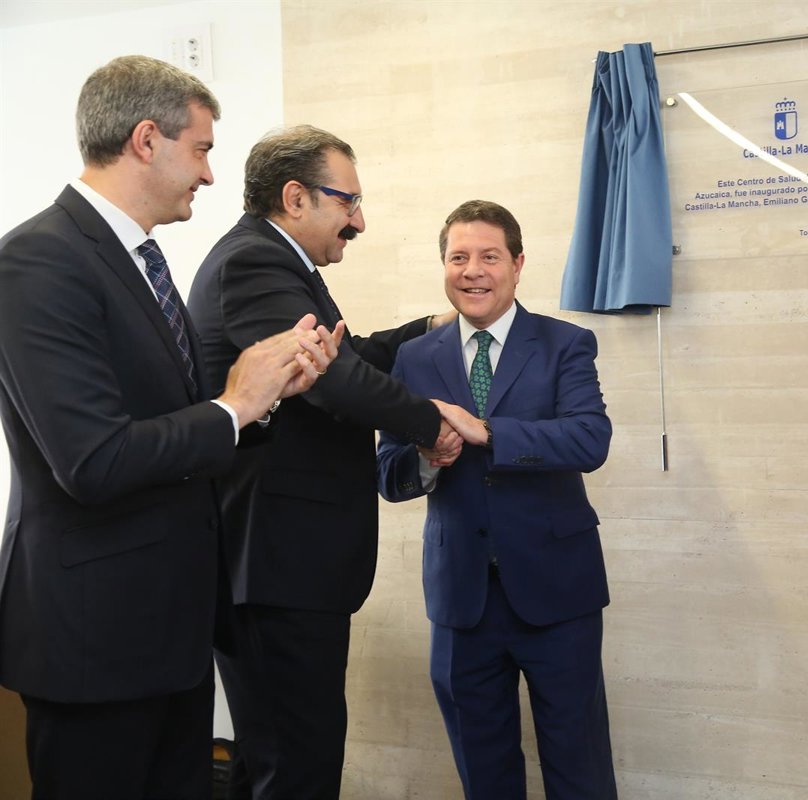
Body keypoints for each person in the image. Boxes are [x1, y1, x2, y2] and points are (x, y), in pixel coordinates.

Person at [0, 55, 340, 799]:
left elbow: (171, 423)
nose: (210, 175)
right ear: (147, 139)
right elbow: (93, 460)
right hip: (96, 642)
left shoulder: (142, 260)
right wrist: (234, 406)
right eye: (202, 149)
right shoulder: (36, 261)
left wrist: (267, 397)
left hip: (171, 633)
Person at [187, 124, 455, 799]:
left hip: (284, 567)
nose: (359, 221)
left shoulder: (277, 264)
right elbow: (333, 381)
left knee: (274, 761)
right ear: (296, 197)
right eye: (349, 201)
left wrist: (422, 331)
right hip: (275, 565)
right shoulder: (255, 264)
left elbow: (343, 355)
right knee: (297, 766)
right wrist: (434, 424)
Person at [377, 200, 617, 799]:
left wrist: (489, 433)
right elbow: (388, 473)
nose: (473, 271)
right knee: (484, 774)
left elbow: (590, 439)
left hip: (558, 594)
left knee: (578, 767)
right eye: (458, 257)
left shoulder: (565, 343)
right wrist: (427, 459)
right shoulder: (413, 357)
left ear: (517, 264)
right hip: (462, 601)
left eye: (489, 256)